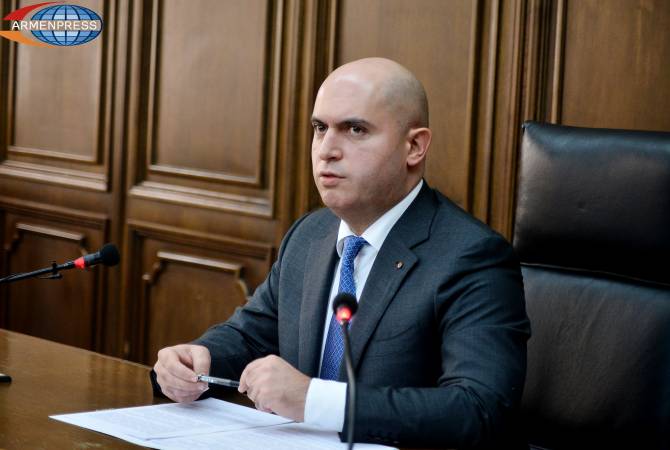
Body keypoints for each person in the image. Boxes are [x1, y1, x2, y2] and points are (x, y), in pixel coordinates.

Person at [153, 57, 530, 448]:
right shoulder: (309, 235)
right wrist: (197, 358)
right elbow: (251, 337)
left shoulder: (471, 256)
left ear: (414, 146)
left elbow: (479, 409)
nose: (327, 150)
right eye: (320, 128)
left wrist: (315, 401)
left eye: (355, 129)